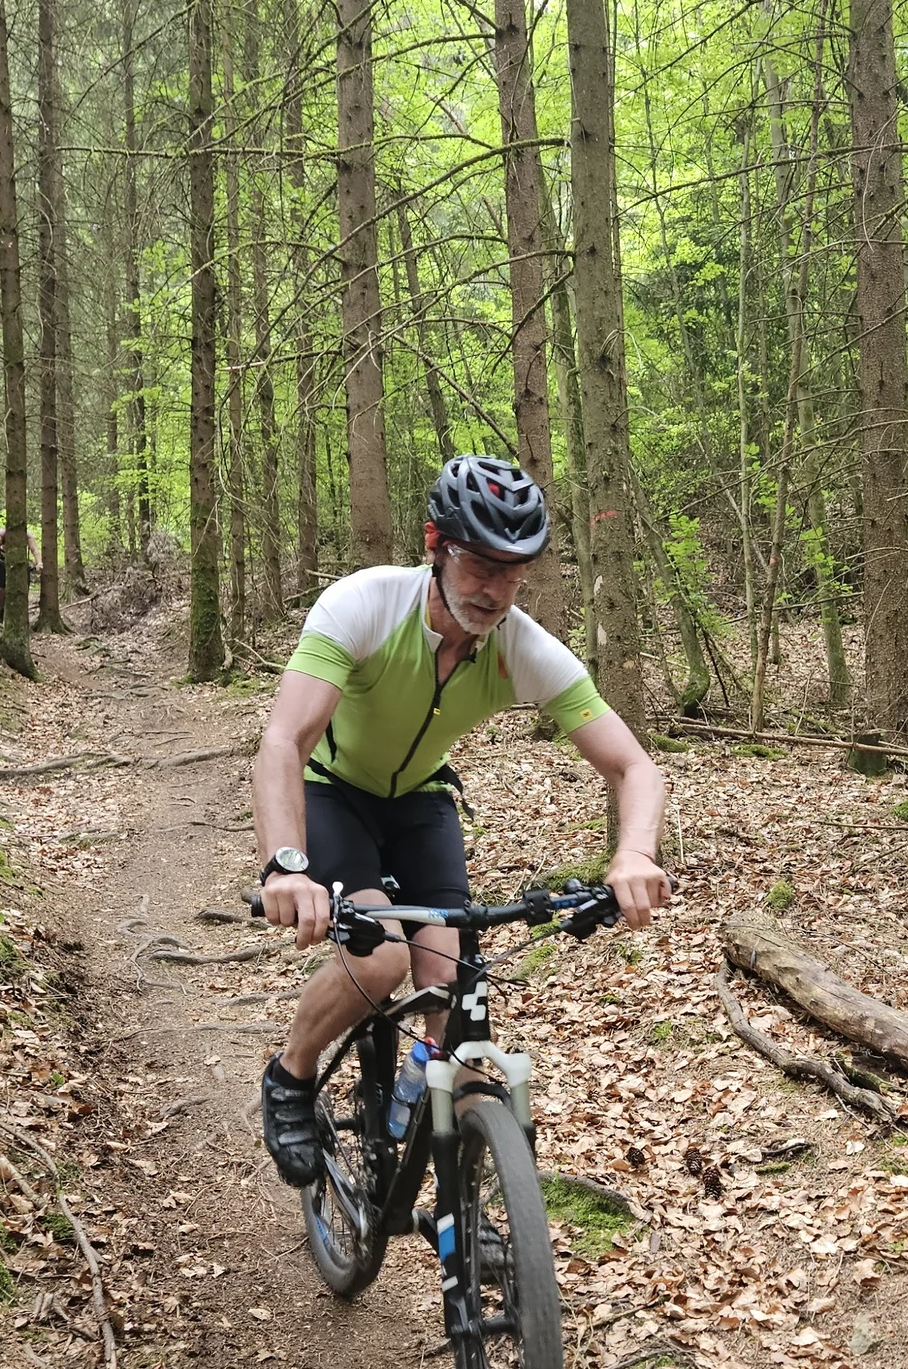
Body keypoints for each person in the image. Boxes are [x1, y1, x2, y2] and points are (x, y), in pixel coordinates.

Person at [252, 455, 671, 1186]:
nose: (496, 590)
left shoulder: (522, 648)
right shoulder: (365, 605)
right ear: (434, 546)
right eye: (480, 565)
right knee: (381, 957)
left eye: (515, 573)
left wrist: (633, 856)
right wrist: (286, 864)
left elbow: (634, 767)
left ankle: (466, 1203)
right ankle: (291, 1074)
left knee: (456, 1003)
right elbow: (284, 741)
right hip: (334, 796)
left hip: (420, 804)